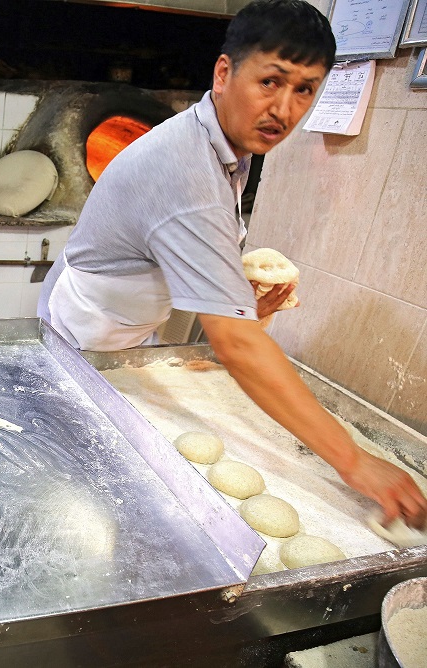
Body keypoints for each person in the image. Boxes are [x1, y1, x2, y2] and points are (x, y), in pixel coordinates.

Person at [38, 0, 427, 528]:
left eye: (305, 90)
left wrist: (234, 299)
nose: (284, 109)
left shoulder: (223, 147)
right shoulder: (188, 172)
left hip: (126, 329)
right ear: (224, 73)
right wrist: (356, 462)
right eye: (271, 81)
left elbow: (178, 255)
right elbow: (236, 342)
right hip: (86, 339)